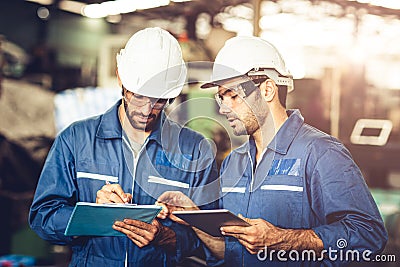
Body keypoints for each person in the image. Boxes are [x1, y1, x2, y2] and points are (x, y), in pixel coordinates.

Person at [157, 36, 388, 266]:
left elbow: (369, 234)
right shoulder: (233, 163)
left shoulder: (320, 153)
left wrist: (283, 240)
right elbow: (228, 251)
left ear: (267, 90)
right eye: (221, 96)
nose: (223, 107)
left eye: (233, 95)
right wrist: (195, 217)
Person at [29, 27, 220, 267]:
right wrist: (91, 215)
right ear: (121, 77)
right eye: (138, 95)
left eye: (159, 100)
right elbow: (42, 218)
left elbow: (214, 239)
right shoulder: (76, 140)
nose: (146, 110)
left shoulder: (196, 150)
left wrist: (168, 238)